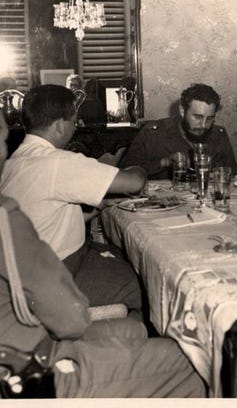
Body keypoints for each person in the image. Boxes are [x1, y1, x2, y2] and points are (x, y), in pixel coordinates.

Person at [0, 110, 206, 398]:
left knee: (135, 329)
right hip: (31, 370)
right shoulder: (7, 215)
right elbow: (70, 319)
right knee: (192, 359)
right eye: (3, 138)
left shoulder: (13, 168)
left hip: (17, 341)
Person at [0, 85, 146, 315]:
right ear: (60, 125)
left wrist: (96, 207)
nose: (75, 127)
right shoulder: (58, 161)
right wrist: (139, 166)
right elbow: (135, 183)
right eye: (73, 121)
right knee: (143, 282)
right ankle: (126, 332)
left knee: (120, 256)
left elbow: (42, 218)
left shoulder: (12, 163)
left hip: (17, 276)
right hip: (51, 277)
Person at [120, 83, 237, 179]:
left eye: (209, 118)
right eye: (198, 117)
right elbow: (126, 173)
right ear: (182, 111)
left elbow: (234, 174)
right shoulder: (152, 133)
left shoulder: (219, 135)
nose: (203, 125)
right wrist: (164, 162)